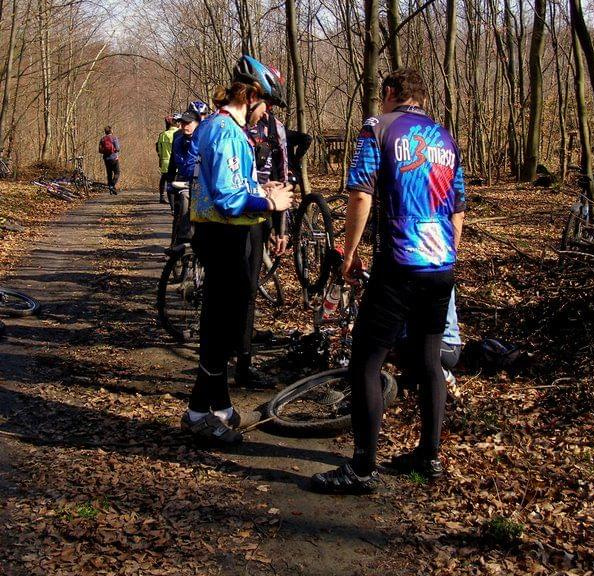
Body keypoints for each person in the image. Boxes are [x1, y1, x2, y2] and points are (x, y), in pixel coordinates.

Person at [311, 67, 466, 494]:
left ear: (393, 93)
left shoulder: (378, 128)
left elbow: (361, 192)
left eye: (382, 94)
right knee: (429, 359)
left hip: (398, 261)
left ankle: (362, 468)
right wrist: (447, 254)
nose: (379, 101)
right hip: (441, 264)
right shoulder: (445, 137)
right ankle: (429, 457)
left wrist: (349, 251)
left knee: (366, 358)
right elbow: (457, 209)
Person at [180, 56, 293, 445]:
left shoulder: (225, 128)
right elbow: (229, 198)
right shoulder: (226, 131)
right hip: (225, 234)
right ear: (252, 96)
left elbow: (232, 185)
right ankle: (198, 413)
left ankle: (220, 405)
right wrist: (269, 203)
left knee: (224, 321)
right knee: (220, 325)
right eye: (267, 105)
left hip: (228, 234)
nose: (267, 115)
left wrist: (262, 192)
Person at [235, 62, 289, 388]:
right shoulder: (230, 125)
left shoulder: (275, 127)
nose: (267, 110)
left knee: (248, 291)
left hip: (260, 215)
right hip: (229, 218)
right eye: (265, 102)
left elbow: (284, 176)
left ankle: (242, 362)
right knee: (229, 293)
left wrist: (282, 227)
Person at [164, 111, 198, 247]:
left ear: (197, 124)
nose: (185, 126)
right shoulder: (177, 140)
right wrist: (169, 182)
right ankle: (177, 242)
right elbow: (172, 164)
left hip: (201, 180)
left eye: (188, 123)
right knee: (182, 204)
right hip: (182, 179)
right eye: (183, 123)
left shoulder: (203, 140)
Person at [156, 116, 179, 204]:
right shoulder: (179, 133)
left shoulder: (163, 135)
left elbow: (159, 150)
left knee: (164, 179)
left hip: (165, 160)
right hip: (177, 161)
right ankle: (176, 199)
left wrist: (161, 160)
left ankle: (162, 196)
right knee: (177, 180)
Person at [98, 125, 121, 195]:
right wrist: (114, 150)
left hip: (106, 159)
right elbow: (117, 148)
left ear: (105, 132)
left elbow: (100, 150)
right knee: (117, 173)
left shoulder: (102, 139)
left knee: (109, 174)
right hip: (114, 158)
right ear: (111, 131)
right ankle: (112, 185)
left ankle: (111, 189)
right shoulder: (114, 138)